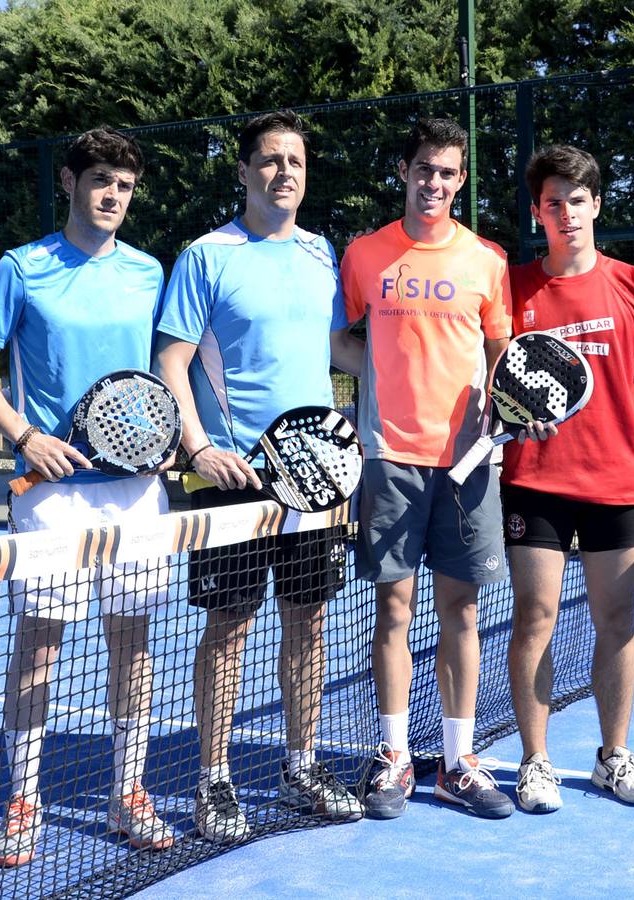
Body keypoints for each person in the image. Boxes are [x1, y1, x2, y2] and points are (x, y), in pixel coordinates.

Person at [0, 127, 175, 867]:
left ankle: (128, 791)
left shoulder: (149, 272)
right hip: (51, 494)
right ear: (71, 184)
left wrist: (173, 434)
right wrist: (24, 436)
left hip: (137, 489)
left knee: (131, 641)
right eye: (102, 180)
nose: (113, 195)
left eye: (125, 185)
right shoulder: (23, 267)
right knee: (40, 644)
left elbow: (164, 371)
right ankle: (22, 799)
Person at [156, 110, 362, 843]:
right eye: (269, 160)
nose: (284, 172)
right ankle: (214, 781)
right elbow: (172, 362)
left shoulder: (320, 252)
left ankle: (300, 765)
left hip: (316, 474)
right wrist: (198, 447)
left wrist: (427, 380)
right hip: (234, 479)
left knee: (309, 622)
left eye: (295, 162)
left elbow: (340, 348)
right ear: (243, 171)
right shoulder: (205, 257)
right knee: (230, 626)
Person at [502, 144, 634, 813]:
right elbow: (484, 378)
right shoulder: (510, 288)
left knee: (617, 622)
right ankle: (536, 763)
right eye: (551, 202)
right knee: (534, 619)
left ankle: (612, 758)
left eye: (576, 200)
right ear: (537, 212)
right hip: (534, 483)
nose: (565, 213)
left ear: (596, 205)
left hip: (619, 483)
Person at [331, 117, 515, 820]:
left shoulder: (487, 261)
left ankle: (458, 760)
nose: (434, 182)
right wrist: (378, 376)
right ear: (404, 172)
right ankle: (395, 756)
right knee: (393, 611)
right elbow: (339, 339)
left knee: (462, 611)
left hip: (468, 461)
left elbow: (500, 352)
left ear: (460, 179)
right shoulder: (365, 255)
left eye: (447, 172)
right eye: (423, 169)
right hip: (389, 458)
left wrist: (496, 403)